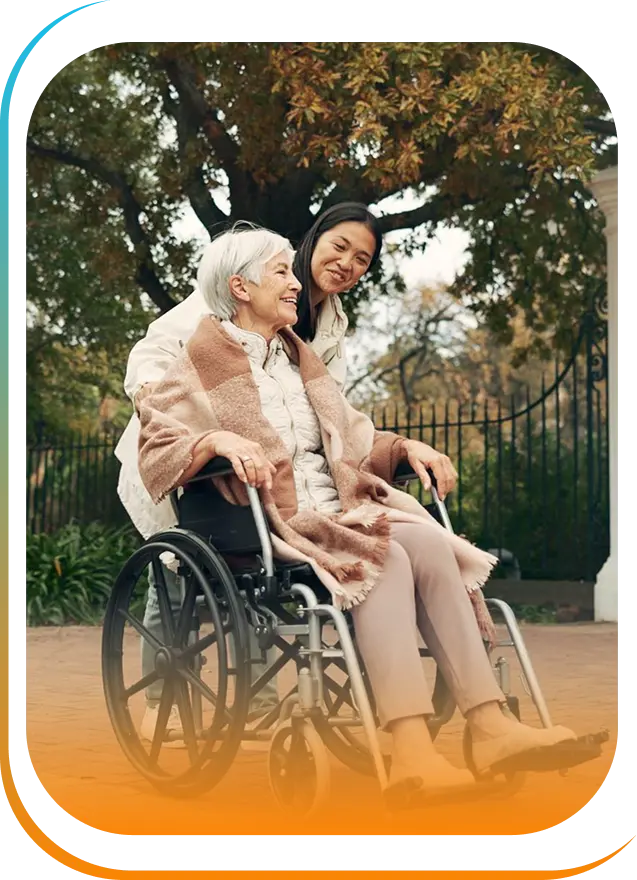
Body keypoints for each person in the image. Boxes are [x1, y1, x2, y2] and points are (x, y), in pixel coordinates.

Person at [136, 224, 578, 796]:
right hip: (274, 526)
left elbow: (353, 440)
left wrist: (406, 448)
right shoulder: (197, 359)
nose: (296, 283)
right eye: (281, 272)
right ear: (240, 287)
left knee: (429, 543)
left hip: (339, 515)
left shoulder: (299, 359)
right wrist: (215, 441)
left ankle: (491, 726)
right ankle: (412, 754)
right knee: (383, 554)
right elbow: (159, 444)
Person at [114, 204, 383, 746]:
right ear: (313, 241)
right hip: (200, 453)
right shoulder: (246, 277)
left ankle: (256, 702)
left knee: (263, 567)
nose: (347, 263)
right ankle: (163, 702)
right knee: (177, 574)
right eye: (339, 246)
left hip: (278, 469)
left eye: (362, 259)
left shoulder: (330, 322)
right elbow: (154, 354)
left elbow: (327, 404)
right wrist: (177, 416)